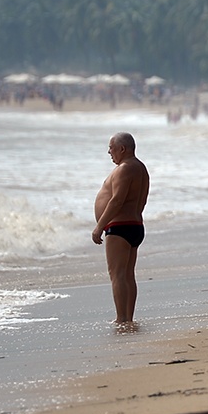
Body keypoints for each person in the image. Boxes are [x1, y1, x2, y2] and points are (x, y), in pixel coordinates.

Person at [92, 131, 150, 328]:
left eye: (111, 148)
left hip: (120, 227)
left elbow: (117, 200)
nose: (109, 152)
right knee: (127, 275)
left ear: (122, 149)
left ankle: (121, 319)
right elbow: (142, 201)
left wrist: (99, 227)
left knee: (117, 275)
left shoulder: (124, 169)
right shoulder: (141, 168)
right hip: (134, 225)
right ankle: (128, 318)